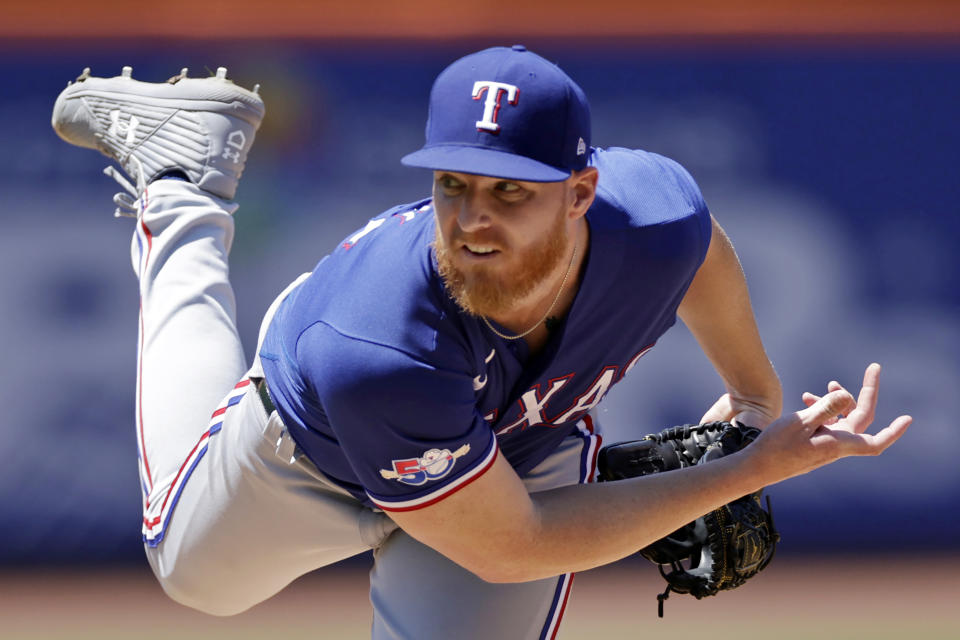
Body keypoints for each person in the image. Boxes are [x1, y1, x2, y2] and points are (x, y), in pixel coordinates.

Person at [52, 47, 911, 639]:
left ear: (580, 193)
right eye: (453, 184)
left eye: (511, 190)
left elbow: (703, 252)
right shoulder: (376, 348)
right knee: (197, 578)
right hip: (314, 447)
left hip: (510, 448)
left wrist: (757, 397)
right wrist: (752, 467)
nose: (474, 220)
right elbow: (516, 545)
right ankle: (184, 195)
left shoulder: (655, 218)